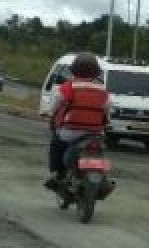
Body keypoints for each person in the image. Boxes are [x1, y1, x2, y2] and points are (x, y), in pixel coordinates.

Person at [44, 52, 110, 191]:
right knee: (100, 150)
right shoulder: (103, 90)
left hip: (70, 132)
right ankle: (103, 179)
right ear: (96, 72)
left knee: (56, 143)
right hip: (96, 133)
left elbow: (54, 106)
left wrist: (49, 112)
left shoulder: (68, 87)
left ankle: (56, 174)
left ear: (74, 70)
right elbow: (107, 110)